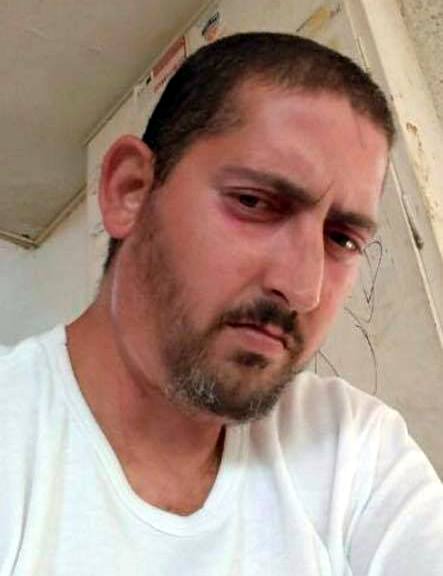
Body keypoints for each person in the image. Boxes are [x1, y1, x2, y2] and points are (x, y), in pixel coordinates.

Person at [1, 32, 442, 575]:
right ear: (130, 190)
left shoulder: (351, 446)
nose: (303, 288)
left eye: (342, 239)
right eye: (254, 202)